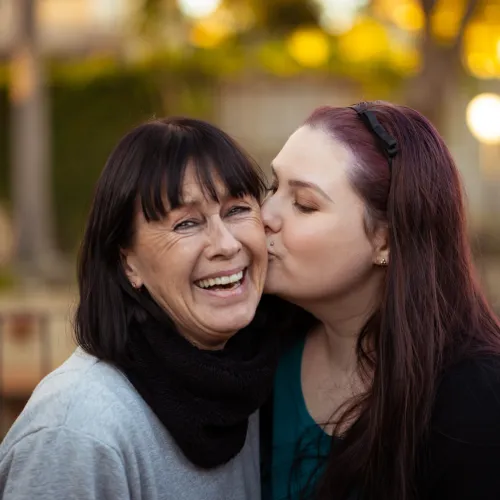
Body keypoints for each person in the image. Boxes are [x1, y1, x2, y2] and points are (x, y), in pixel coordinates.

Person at [0, 117, 277, 499]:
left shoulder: (249, 385)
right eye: (186, 224)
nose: (226, 244)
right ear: (128, 262)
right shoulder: (78, 431)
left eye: (237, 210)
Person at [260, 101, 500, 500]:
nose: (264, 214)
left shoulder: (477, 398)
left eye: (304, 204)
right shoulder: (256, 348)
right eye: (271, 187)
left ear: (386, 239)